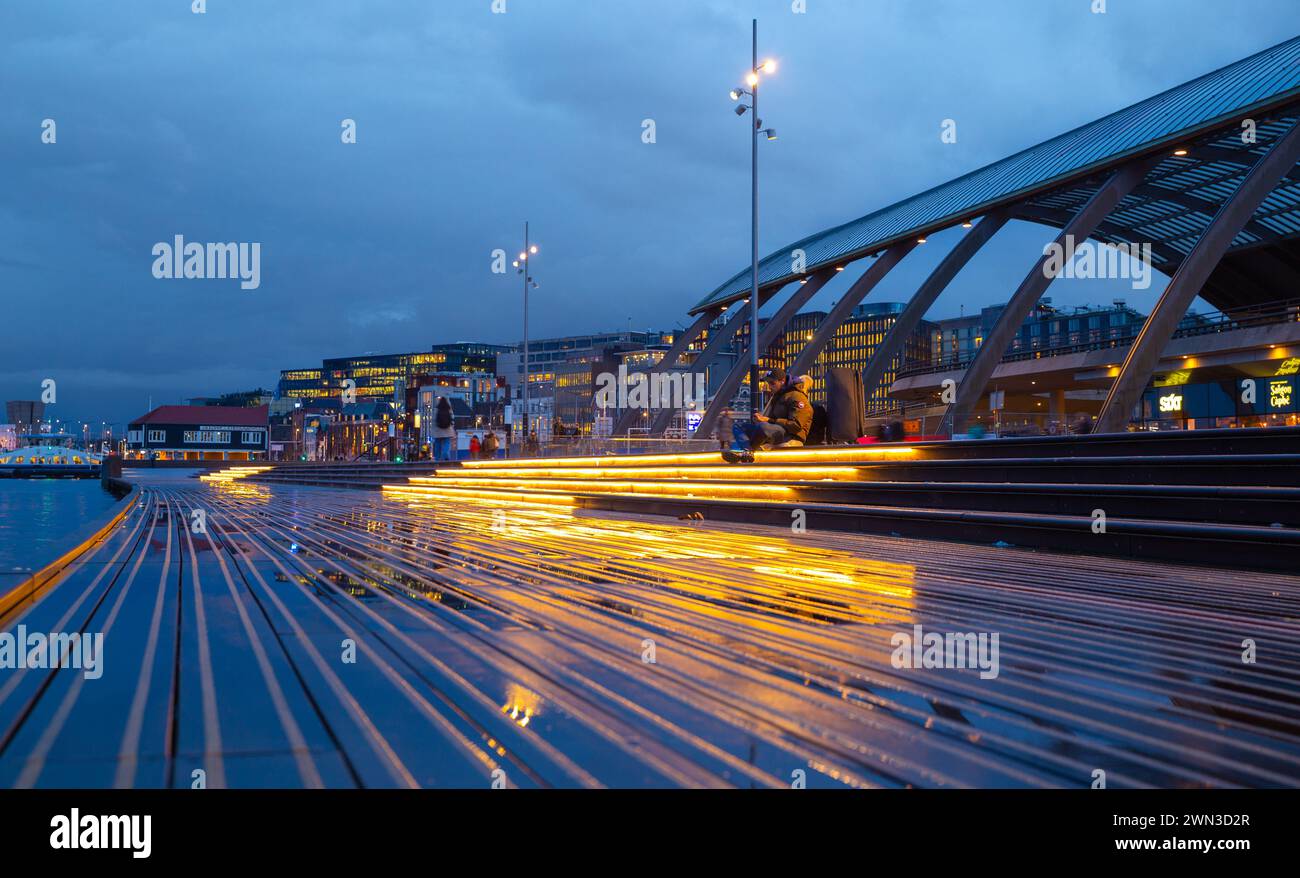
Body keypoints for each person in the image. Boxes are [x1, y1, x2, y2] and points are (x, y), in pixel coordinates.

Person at [723, 369, 813, 463]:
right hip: (774, 430)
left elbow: (796, 425)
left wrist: (768, 420)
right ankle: (747, 450)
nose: (769, 386)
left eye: (772, 383)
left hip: (790, 434)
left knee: (763, 427)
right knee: (738, 426)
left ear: (782, 381)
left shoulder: (797, 397)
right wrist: (761, 420)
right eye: (768, 383)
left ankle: (747, 451)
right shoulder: (778, 396)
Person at [430, 397, 456, 462]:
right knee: (446, 443)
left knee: (437, 444)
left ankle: (437, 458)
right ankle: (445, 455)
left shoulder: (436, 410)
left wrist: (433, 430)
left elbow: (433, 420)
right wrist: (451, 426)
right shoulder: (449, 410)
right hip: (447, 430)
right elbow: (452, 419)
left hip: (438, 431)